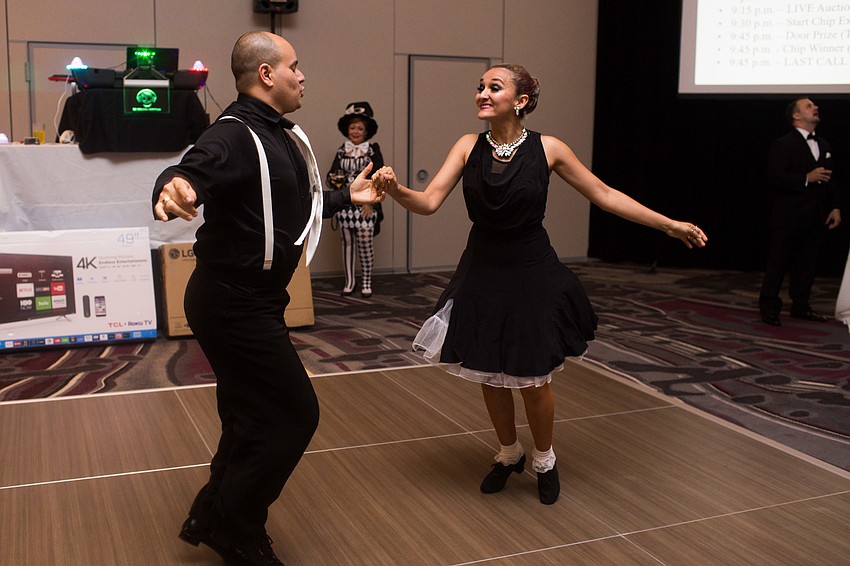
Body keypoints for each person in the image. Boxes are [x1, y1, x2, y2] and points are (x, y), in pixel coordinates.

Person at [372, 64, 707, 505]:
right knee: (487, 370)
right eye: (480, 87)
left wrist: (668, 225)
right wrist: (394, 189)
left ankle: (544, 458)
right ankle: (510, 453)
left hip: (531, 269)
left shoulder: (548, 149)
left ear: (522, 100)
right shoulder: (466, 146)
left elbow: (604, 194)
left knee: (532, 379)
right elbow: (429, 202)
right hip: (482, 268)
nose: (482, 94)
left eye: (494, 87)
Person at [151, 31, 381, 565]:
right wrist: (173, 186)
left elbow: (288, 203)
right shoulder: (233, 133)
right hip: (232, 302)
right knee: (294, 415)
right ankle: (236, 526)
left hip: (253, 298)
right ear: (267, 74)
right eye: (295, 66)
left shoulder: (280, 134)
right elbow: (192, 167)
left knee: (249, 416)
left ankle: (215, 515)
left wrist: (349, 195)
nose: (303, 76)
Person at [759, 97, 841, 326]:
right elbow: (775, 178)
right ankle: (769, 308)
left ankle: (801, 306)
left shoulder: (823, 144)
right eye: (808, 106)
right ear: (796, 116)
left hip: (815, 215)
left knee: (807, 263)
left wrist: (835, 206)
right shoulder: (784, 144)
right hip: (787, 215)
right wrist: (806, 178)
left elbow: (831, 179)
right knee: (778, 262)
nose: (815, 108)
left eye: (814, 106)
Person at [326, 102, 384, 297]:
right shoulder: (342, 151)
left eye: (360, 128)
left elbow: (380, 178)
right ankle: (349, 282)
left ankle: (367, 282)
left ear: (366, 131)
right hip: (346, 205)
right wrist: (334, 180)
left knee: (365, 244)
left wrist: (370, 203)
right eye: (352, 127)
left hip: (365, 206)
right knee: (347, 243)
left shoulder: (372, 151)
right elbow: (332, 175)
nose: (356, 131)